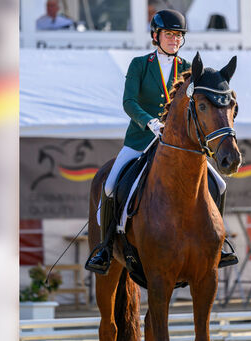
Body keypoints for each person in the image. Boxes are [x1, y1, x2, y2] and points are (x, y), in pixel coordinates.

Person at [85, 9, 238, 274]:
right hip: (141, 140)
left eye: (178, 35)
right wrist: (150, 122)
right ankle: (106, 247)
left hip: (180, 145)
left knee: (220, 184)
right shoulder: (139, 65)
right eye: (169, 34)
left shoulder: (191, 69)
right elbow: (129, 102)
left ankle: (219, 243)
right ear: (156, 36)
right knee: (110, 186)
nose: (174, 40)